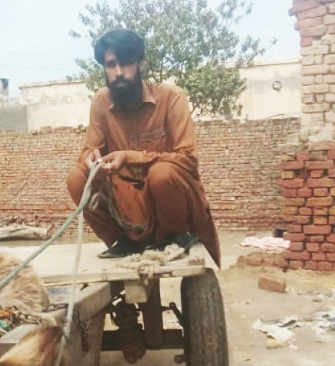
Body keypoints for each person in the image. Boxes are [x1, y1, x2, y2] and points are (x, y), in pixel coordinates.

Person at [66, 28, 221, 266]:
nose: (118, 73)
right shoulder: (101, 101)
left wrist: (131, 157)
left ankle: (174, 237)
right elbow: (89, 149)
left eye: (126, 63)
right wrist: (91, 158)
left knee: (162, 174)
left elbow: (187, 159)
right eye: (111, 65)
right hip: (125, 202)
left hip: (171, 202)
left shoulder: (172, 97)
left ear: (141, 65)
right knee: (78, 178)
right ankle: (123, 241)